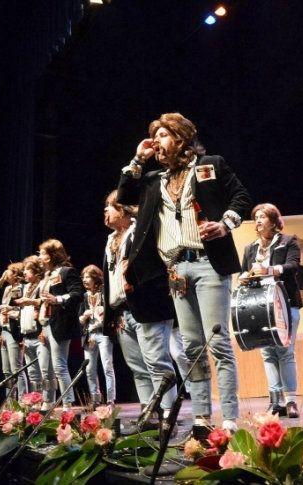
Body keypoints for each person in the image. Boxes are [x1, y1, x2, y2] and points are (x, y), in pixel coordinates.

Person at [117, 112, 251, 439]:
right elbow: (124, 196)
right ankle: (203, 418)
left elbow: (242, 197)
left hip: (208, 264)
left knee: (217, 342)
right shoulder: (153, 181)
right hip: (176, 271)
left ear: (180, 137)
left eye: (162, 135)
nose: (157, 142)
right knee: (191, 347)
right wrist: (138, 157)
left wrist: (226, 223)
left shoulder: (211, 165)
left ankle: (230, 419)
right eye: (155, 136)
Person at [102, 190, 175, 424]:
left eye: (109, 207)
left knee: (157, 363)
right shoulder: (110, 241)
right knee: (138, 367)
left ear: (122, 209)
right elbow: (109, 280)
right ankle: (149, 414)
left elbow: (157, 267)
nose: (105, 212)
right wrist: (113, 313)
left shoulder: (141, 233)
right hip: (123, 311)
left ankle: (167, 413)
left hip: (148, 307)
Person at [239, 203, 303, 418]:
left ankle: (291, 400)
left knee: (285, 351)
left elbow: (294, 266)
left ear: (274, 221)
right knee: (267, 353)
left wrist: (269, 270)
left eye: (262, 216)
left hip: (286, 303)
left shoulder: (288, 241)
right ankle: (276, 402)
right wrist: (243, 277)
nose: (258, 220)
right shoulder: (250, 248)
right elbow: (243, 272)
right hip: (259, 306)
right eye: (255, 217)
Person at [38, 239, 83, 410]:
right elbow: (44, 300)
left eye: (42, 254)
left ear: (49, 256)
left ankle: (67, 403)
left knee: (59, 366)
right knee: (45, 368)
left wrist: (57, 299)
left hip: (61, 324)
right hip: (45, 324)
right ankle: (47, 401)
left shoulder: (66, 271)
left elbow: (78, 294)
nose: (39, 257)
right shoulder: (46, 277)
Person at [14, 256, 56, 410]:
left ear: (36, 272)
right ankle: (36, 399)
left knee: (46, 370)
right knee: (33, 374)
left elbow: (45, 306)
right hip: (27, 336)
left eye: (27, 270)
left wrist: (43, 330)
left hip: (40, 334)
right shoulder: (25, 288)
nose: (24, 273)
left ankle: (48, 400)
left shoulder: (42, 286)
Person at [79, 264, 116, 407]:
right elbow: (79, 320)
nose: (84, 280)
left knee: (107, 367)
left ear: (96, 278)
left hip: (103, 334)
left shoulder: (104, 293)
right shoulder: (84, 297)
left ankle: (110, 400)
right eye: (83, 277)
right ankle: (95, 399)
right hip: (90, 335)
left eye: (87, 276)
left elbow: (111, 312)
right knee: (89, 369)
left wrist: (102, 314)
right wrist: (84, 317)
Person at [0, 262, 27, 399]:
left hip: (14, 331)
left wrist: (10, 310)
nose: (6, 274)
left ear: (16, 274)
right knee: (6, 371)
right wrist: (1, 279)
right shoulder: (7, 289)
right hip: (5, 329)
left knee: (16, 369)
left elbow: (22, 310)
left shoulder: (21, 289)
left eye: (9, 272)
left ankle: (23, 401)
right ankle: (10, 402)